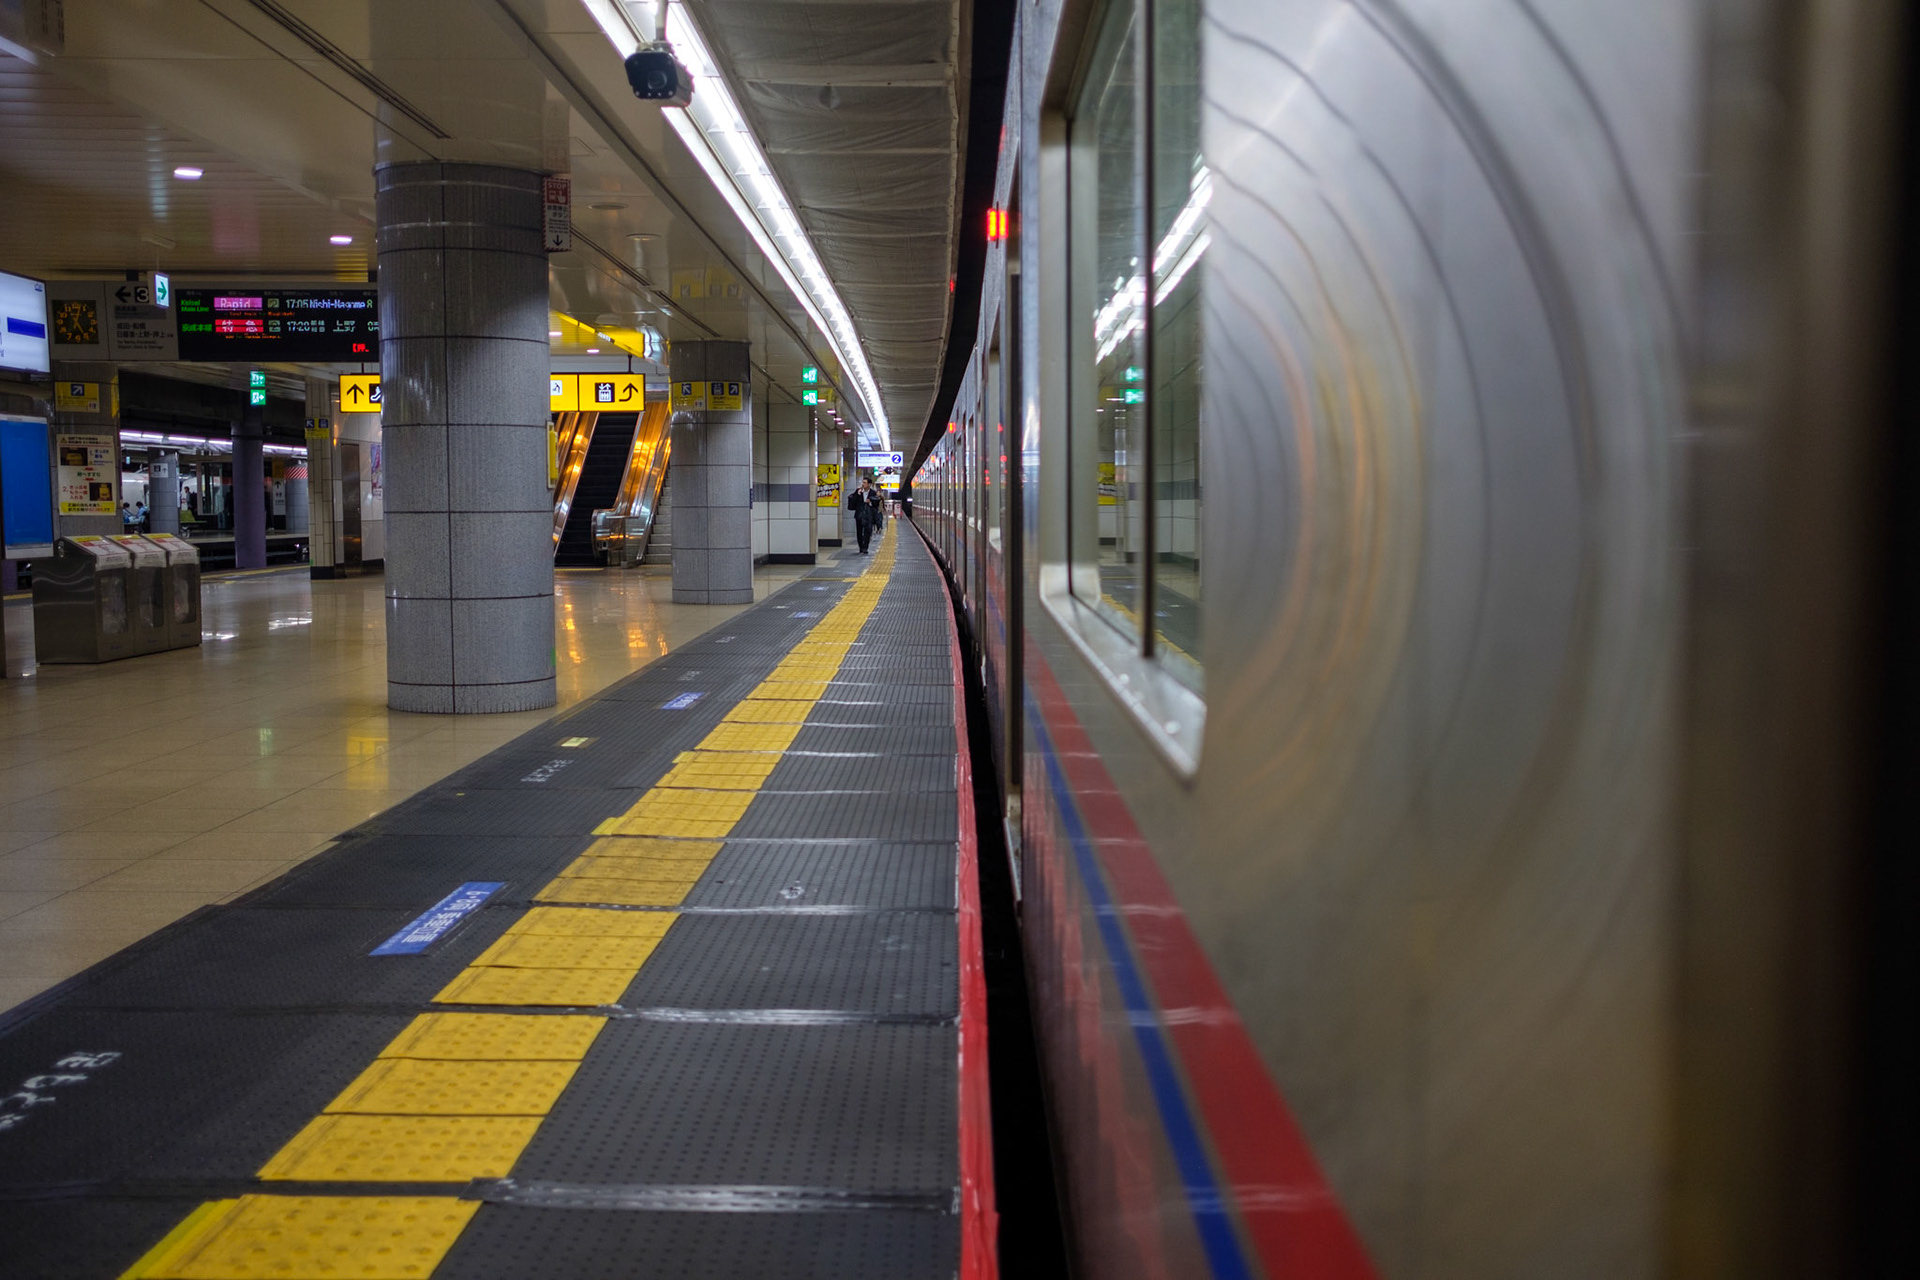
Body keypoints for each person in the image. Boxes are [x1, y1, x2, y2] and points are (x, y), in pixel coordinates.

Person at [849, 476, 879, 554]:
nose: (863, 484)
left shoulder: (873, 492)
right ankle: (861, 547)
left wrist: (870, 502)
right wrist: (858, 494)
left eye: (865, 483)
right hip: (859, 514)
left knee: (868, 531)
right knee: (859, 531)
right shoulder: (858, 491)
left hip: (869, 515)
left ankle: (865, 547)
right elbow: (853, 502)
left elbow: (876, 504)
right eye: (863, 482)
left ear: (869, 484)